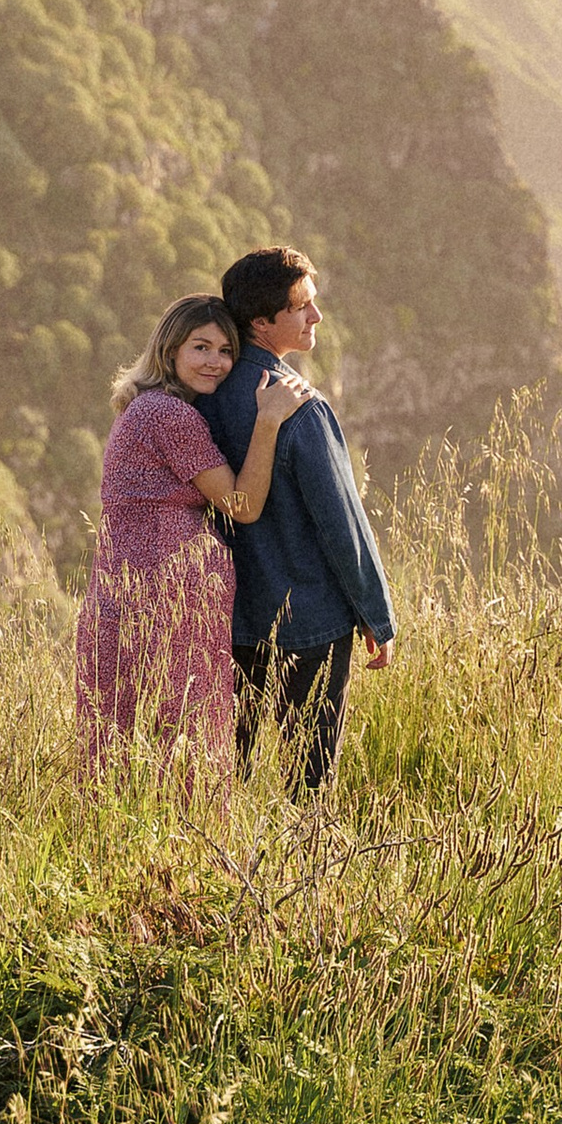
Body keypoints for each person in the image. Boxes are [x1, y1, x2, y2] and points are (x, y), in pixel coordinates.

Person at [75, 293, 313, 782]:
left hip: (131, 603)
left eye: (226, 351)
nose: (216, 362)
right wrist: (268, 420)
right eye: (200, 347)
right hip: (160, 611)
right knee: (179, 759)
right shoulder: (170, 416)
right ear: (170, 350)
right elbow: (242, 506)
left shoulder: (145, 408)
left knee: (119, 760)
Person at [206, 246, 396, 790]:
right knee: (308, 783)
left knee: (225, 779)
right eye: (302, 307)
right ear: (262, 322)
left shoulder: (199, 396)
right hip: (309, 621)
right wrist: (376, 615)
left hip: (227, 618)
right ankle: (305, 873)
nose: (316, 317)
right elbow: (342, 520)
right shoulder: (301, 406)